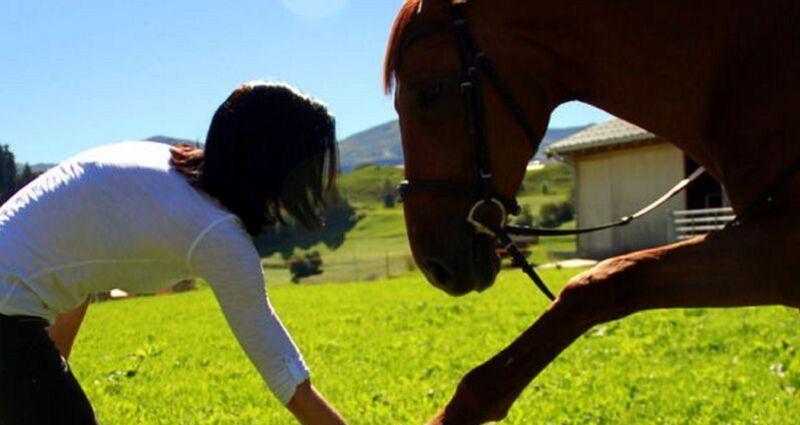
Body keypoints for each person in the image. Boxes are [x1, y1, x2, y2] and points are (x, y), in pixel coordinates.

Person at [0, 81, 348, 425]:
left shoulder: (160, 169)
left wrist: (50, 372)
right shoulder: (216, 234)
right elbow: (289, 382)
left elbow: (75, 257)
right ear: (273, 166)